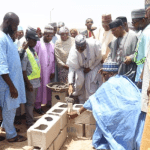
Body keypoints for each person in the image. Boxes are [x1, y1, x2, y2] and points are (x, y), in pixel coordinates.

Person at [68, 61, 146, 150]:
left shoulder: (108, 84)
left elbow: (93, 99)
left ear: (111, 74)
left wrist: (77, 112)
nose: (102, 77)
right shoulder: (124, 79)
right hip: (138, 113)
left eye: (104, 75)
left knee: (103, 117)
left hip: (125, 117)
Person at [0, 12, 27, 142]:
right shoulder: (1, 38)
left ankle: (6, 127)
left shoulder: (6, 37)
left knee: (8, 108)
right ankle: (11, 136)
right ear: (9, 22)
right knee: (9, 108)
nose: (17, 29)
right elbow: (2, 65)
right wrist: (12, 86)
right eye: (16, 26)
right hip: (6, 84)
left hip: (11, 82)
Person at [67, 34, 102, 104]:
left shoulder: (94, 44)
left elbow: (99, 58)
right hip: (81, 69)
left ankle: (91, 107)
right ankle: (81, 105)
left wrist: (90, 68)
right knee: (80, 86)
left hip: (94, 67)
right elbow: (72, 68)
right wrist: (70, 84)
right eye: (78, 48)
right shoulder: (73, 51)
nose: (80, 50)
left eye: (82, 48)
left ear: (85, 44)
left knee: (91, 88)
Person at [20, 26, 40, 128]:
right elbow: (23, 70)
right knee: (30, 104)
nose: (36, 42)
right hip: (30, 82)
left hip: (36, 81)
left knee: (32, 102)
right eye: (34, 40)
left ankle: (30, 119)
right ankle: (29, 122)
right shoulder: (25, 52)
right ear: (28, 39)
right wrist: (28, 83)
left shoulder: (33, 50)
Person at [34, 25, 55, 114]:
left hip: (49, 71)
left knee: (47, 87)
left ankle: (47, 104)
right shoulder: (38, 43)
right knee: (39, 88)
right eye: (48, 35)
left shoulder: (52, 45)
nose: (49, 38)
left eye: (51, 36)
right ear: (44, 34)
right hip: (40, 71)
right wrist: (37, 73)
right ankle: (37, 106)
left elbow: (53, 59)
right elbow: (34, 58)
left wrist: (53, 70)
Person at [133, 9, 150, 87]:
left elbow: (148, 57)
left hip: (144, 77)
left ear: (143, 20)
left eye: (134, 22)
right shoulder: (143, 32)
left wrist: (142, 77)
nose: (133, 25)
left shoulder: (147, 33)